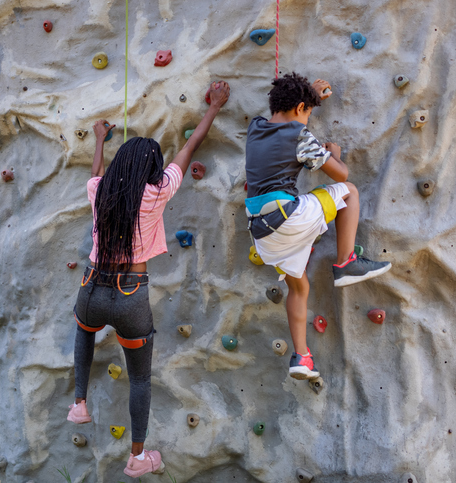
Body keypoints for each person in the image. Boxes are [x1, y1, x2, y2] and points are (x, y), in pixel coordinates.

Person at [67, 81, 231, 478]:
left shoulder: (99, 191)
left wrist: (101, 141)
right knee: (139, 377)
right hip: (130, 296)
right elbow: (188, 149)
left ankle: (79, 404)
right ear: (151, 169)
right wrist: (213, 107)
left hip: (91, 286)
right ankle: (138, 456)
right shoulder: (156, 192)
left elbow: (96, 173)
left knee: (84, 331)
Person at [245, 72, 391, 381]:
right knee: (349, 191)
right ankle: (347, 261)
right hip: (288, 218)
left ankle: (302, 357)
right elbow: (340, 174)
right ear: (300, 108)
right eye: (308, 112)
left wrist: (307, 98)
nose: (307, 119)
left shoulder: (255, 129)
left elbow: (285, 118)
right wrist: (334, 154)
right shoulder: (301, 137)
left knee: (299, 286)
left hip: (261, 232)